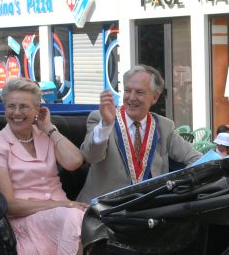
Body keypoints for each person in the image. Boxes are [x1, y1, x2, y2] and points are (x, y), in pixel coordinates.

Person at [0, 78, 87, 255]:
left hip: (62, 215)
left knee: (90, 218)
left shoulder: (44, 136)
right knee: (74, 217)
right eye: (11, 106)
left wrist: (49, 128)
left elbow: (74, 162)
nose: (16, 113)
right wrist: (60, 205)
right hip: (25, 216)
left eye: (24, 107)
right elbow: (9, 205)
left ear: (37, 110)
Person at [77, 65, 201, 203]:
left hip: (148, 207)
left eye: (139, 92)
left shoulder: (164, 126)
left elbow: (196, 159)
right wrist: (106, 125)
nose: (131, 98)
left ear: (154, 97)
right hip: (105, 206)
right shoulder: (100, 119)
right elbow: (91, 156)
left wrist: (177, 184)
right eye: (127, 91)